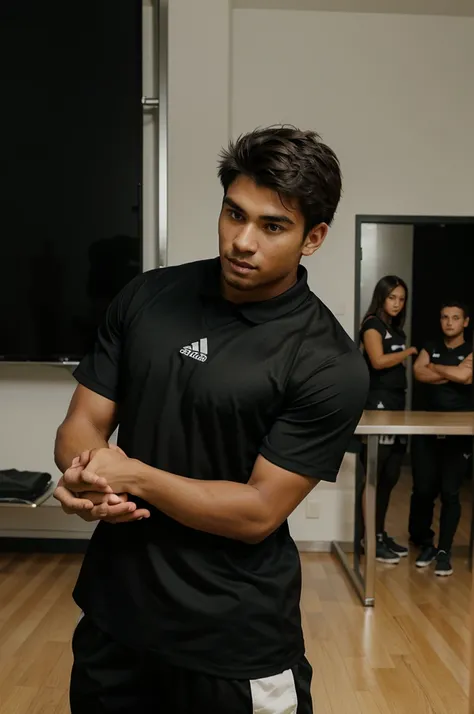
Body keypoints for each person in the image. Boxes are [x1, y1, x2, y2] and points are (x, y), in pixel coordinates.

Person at [53, 126, 369, 714]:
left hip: (231, 636)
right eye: (233, 214)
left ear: (314, 237)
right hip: (114, 618)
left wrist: (133, 476)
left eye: (272, 226)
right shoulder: (146, 297)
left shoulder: (329, 360)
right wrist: (84, 475)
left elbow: (256, 513)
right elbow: (82, 423)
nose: (242, 241)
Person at [409, 301, 473, 576]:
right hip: (427, 427)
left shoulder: (470, 350)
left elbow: (465, 375)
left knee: (450, 491)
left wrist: (435, 368)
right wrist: (452, 373)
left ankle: (445, 550)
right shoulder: (429, 345)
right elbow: (417, 372)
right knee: (423, 490)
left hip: (460, 430)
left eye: (455, 318)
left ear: (465, 322)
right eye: (445, 317)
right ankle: (426, 543)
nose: (449, 322)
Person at [359, 276, 417, 563]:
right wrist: (408, 352)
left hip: (396, 404)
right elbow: (378, 361)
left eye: (401, 298)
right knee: (374, 475)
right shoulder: (371, 324)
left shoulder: (396, 330)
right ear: (381, 298)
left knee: (390, 476)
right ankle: (367, 538)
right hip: (377, 404)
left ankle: (379, 534)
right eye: (392, 297)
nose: (397, 303)